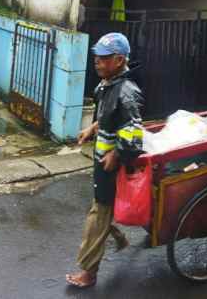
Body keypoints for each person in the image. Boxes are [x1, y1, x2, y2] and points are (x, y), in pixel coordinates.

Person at [66, 32, 144, 289]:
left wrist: (117, 154)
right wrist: (93, 128)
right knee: (100, 208)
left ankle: (89, 273)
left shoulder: (127, 92)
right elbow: (108, 115)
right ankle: (119, 239)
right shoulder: (106, 85)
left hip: (113, 166)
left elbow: (133, 134)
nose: (97, 62)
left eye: (103, 58)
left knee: (97, 215)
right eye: (96, 58)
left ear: (119, 60)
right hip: (102, 163)